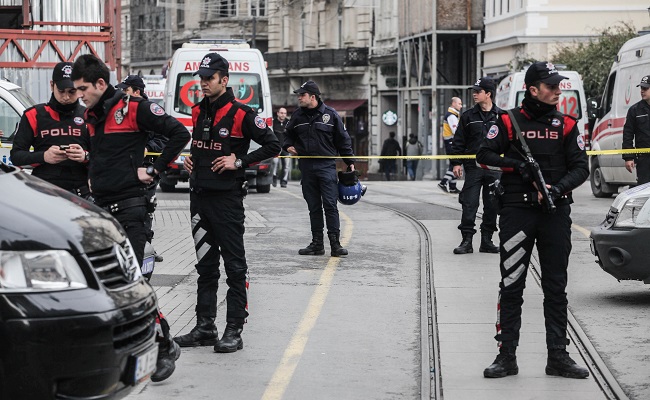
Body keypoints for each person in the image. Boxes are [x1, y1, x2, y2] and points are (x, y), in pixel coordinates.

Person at [71, 54, 191, 382]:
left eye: (84, 88)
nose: (79, 95)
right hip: (100, 209)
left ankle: (164, 346)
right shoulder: (90, 116)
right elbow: (99, 154)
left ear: (100, 83)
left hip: (131, 208)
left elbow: (180, 134)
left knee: (135, 283)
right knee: (104, 284)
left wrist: (154, 169)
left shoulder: (134, 108)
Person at [476, 61, 589, 379]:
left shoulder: (566, 124)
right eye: (551, 86)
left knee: (556, 287)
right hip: (516, 212)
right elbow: (483, 155)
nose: (557, 91)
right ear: (534, 89)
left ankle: (558, 356)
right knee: (511, 285)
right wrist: (518, 167)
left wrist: (556, 188)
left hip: (555, 214)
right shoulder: (508, 122)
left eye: (558, 86)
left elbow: (581, 167)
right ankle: (506, 356)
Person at [177, 53, 280, 353]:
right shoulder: (197, 112)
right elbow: (200, 147)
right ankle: (205, 327)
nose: (203, 83)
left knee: (235, 267)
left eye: (209, 78)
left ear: (224, 79)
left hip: (227, 201)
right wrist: (190, 161)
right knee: (205, 267)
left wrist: (240, 161)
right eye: (201, 77)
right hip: (199, 200)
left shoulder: (241, 113)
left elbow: (273, 144)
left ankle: (234, 329)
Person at [284, 80, 355, 257]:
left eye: (302, 95)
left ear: (313, 97)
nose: (299, 98)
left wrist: (350, 161)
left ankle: (335, 244)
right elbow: (286, 135)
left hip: (326, 167)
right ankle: (317, 244)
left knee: (330, 205)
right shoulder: (297, 116)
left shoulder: (330, 115)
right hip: (307, 168)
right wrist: (287, 146)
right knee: (313, 206)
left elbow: (343, 139)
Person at [10, 62, 91, 198]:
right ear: (52, 85)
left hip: (81, 194)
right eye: (61, 91)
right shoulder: (33, 115)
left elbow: (106, 157)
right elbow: (16, 156)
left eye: (72, 92)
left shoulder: (91, 116)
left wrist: (85, 156)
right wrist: (44, 157)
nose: (66, 97)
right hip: (44, 192)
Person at [117, 74, 168, 264]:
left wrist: (148, 148)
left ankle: (146, 248)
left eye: (125, 90)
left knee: (145, 209)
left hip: (146, 170)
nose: (121, 93)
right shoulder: (122, 111)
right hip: (125, 170)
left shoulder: (152, 112)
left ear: (137, 92)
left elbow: (165, 139)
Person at [449, 77, 501, 254]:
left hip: (495, 169)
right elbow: (458, 141)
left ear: (488, 94)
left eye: (478, 92)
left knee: (492, 204)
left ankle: (487, 240)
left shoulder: (501, 116)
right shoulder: (468, 117)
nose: (474, 95)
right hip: (473, 167)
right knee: (469, 204)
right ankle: (466, 241)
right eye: (474, 91)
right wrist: (456, 163)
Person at [622, 75, 650, 185]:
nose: (642, 91)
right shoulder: (635, 110)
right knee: (644, 190)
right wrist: (628, 157)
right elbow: (628, 134)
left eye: (645, 88)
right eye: (641, 88)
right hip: (644, 159)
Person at [438, 97, 462, 192]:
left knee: (454, 163)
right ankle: (443, 182)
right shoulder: (451, 116)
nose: (461, 106)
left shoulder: (453, 115)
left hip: (450, 142)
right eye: (459, 104)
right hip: (452, 142)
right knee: (455, 163)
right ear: (453, 103)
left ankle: (452, 187)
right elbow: (456, 130)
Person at [271, 107, 290, 187]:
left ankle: (284, 181)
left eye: (284, 113)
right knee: (274, 163)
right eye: (281, 113)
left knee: (286, 166)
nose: (283, 115)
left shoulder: (289, 123)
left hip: (286, 147)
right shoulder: (273, 122)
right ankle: (274, 179)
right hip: (276, 147)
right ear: (278, 113)